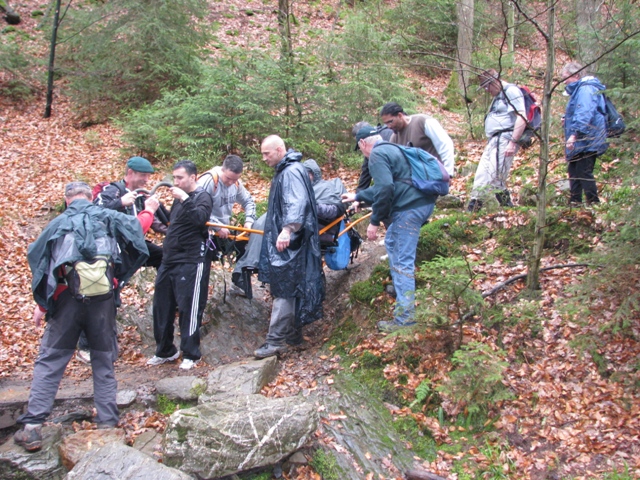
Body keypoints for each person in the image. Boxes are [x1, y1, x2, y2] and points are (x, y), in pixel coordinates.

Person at [14, 182, 151, 452]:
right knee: (103, 359)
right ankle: (108, 423)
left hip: (66, 298)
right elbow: (137, 232)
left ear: (67, 200)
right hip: (102, 301)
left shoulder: (58, 223)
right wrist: (148, 212)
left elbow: (38, 259)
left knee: (52, 359)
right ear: (92, 197)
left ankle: (32, 428)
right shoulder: (109, 217)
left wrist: (42, 304)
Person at [342, 126, 436, 333]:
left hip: (410, 209)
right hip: (421, 204)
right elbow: (387, 184)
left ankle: (405, 320)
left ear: (363, 144)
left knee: (403, 261)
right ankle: (402, 289)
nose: (364, 156)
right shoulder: (392, 148)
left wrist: (374, 222)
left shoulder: (376, 154)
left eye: (361, 150)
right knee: (393, 242)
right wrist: (358, 196)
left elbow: (385, 188)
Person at [76, 156, 166, 365]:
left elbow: (156, 221)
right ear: (130, 173)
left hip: (133, 248)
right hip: (109, 253)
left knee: (164, 256)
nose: (146, 180)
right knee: (104, 294)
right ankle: (87, 346)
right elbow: (94, 215)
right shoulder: (112, 191)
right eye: (143, 175)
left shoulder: (142, 195)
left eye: (148, 176)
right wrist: (120, 203)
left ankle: (168, 299)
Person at [254, 135, 324, 358]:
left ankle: (274, 341)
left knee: (285, 289)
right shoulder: (288, 170)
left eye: (267, 153)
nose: (264, 158)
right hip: (295, 241)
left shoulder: (291, 171)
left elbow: (297, 202)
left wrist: (287, 229)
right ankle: (294, 336)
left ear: (280, 149)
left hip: (292, 241)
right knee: (294, 287)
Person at [147, 160, 213, 370]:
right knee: (161, 306)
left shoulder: (202, 196)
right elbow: (174, 223)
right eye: (174, 177)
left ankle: (191, 354)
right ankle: (165, 350)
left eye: (180, 178)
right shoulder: (179, 200)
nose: (175, 182)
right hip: (170, 259)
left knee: (189, 307)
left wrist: (184, 198)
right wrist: (156, 209)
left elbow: (200, 218)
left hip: (191, 260)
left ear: (193, 177)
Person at [467, 69, 527, 211]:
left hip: (505, 139)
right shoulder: (499, 96)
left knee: (495, 176)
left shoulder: (510, 91)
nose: (487, 90)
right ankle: (474, 205)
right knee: (483, 173)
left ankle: (507, 209)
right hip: (494, 140)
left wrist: (513, 142)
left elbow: (522, 116)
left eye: (488, 86)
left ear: (495, 82)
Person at [561, 61, 607, 205]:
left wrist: (574, 134)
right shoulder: (579, 90)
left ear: (575, 75)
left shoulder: (586, 88)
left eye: (565, 77)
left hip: (588, 138)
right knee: (574, 170)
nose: (564, 81)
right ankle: (575, 203)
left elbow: (585, 113)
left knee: (583, 171)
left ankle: (594, 204)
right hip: (582, 138)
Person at [379, 102, 455, 177]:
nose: (389, 126)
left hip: (436, 176)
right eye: (386, 124)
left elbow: (445, 144)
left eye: (390, 122)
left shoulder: (423, 121)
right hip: (415, 182)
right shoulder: (394, 138)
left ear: (399, 115)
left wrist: (448, 173)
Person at [351, 121, 393, 193]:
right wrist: (358, 196)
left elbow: (386, 185)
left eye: (359, 145)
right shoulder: (375, 142)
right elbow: (366, 171)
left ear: (363, 141)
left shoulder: (377, 147)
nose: (360, 149)